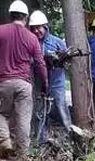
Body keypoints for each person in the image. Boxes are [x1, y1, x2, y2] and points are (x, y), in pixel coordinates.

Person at [0, 0, 48, 158]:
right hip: (24, 84)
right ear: (25, 17)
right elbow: (40, 63)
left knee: (0, 113)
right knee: (23, 118)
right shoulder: (31, 37)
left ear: (10, 15)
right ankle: (23, 154)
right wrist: (45, 84)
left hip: (3, 83)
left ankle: (5, 142)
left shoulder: (0, 31)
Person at [28, 10, 71, 142]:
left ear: (45, 27)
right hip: (39, 82)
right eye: (34, 28)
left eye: (39, 28)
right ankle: (39, 140)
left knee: (61, 107)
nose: (36, 31)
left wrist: (59, 59)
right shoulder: (31, 43)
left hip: (56, 82)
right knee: (39, 111)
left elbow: (68, 61)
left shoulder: (57, 42)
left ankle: (71, 136)